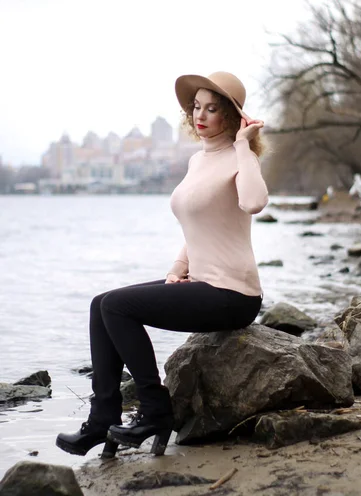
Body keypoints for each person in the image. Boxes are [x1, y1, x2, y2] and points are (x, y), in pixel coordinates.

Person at [56, 71, 269, 459]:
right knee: (100, 303)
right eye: (196, 108)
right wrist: (177, 267)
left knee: (117, 306)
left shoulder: (240, 158)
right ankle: (102, 418)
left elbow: (254, 202)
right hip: (202, 282)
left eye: (212, 109)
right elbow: (198, 226)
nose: (200, 116)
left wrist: (244, 144)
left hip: (234, 294)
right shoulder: (196, 162)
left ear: (232, 117)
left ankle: (155, 411)